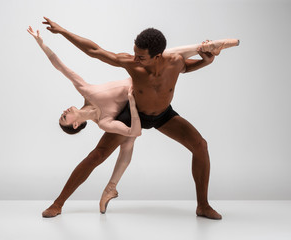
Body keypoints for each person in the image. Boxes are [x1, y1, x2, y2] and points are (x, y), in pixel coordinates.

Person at [40, 17, 239, 219]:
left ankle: (203, 206)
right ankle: (58, 204)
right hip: (133, 115)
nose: (135, 58)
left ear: (158, 56)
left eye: (141, 57)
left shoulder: (176, 61)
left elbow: (187, 67)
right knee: (97, 156)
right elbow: (95, 51)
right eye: (135, 53)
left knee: (200, 145)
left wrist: (207, 60)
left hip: (163, 115)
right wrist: (63, 31)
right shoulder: (132, 64)